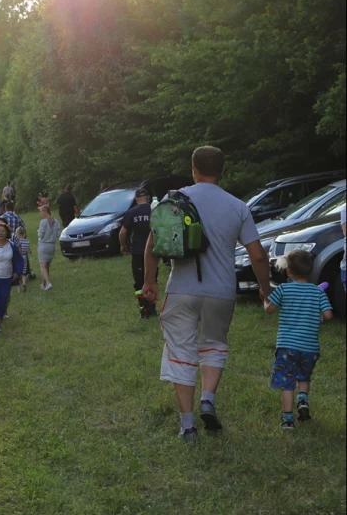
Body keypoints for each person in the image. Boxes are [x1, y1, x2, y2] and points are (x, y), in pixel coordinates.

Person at [142, 146, 272, 443]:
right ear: (223, 170)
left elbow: (153, 243)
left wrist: (150, 280)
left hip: (181, 290)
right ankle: (208, 398)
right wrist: (265, 289)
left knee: (180, 352)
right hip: (221, 292)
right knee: (214, 344)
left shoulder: (173, 200)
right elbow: (259, 256)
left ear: (193, 169)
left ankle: (188, 426)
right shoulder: (238, 206)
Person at [264, 250, 334, 429]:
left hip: (287, 345)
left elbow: (269, 310)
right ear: (310, 271)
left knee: (287, 382)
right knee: (304, 376)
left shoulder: (283, 289)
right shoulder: (317, 292)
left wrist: (265, 300)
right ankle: (303, 400)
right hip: (310, 347)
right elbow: (328, 315)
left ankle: (288, 420)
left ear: (288, 271)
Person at [119, 188, 155, 318]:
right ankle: (152, 308)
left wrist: (123, 246)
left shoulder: (131, 213)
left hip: (138, 252)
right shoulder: (154, 210)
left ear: (136, 199)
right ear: (148, 198)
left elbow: (123, 232)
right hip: (153, 252)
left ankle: (143, 310)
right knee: (152, 280)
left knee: (139, 283)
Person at [36, 206, 61, 290]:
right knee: (47, 265)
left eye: (41, 211)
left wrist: (38, 232)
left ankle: (48, 283)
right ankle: (44, 284)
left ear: (45, 211)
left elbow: (41, 235)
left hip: (44, 245)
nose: (40, 213)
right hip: (52, 245)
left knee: (42, 266)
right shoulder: (56, 221)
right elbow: (58, 234)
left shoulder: (43, 222)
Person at [15, 226, 31, 293]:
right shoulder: (27, 241)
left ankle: (19, 289)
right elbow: (29, 251)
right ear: (24, 234)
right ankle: (24, 283)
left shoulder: (18, 242)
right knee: (23, 273)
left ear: (17, 234)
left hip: (19, 258)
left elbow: (19, 250)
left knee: (17, 273)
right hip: (25, 257)